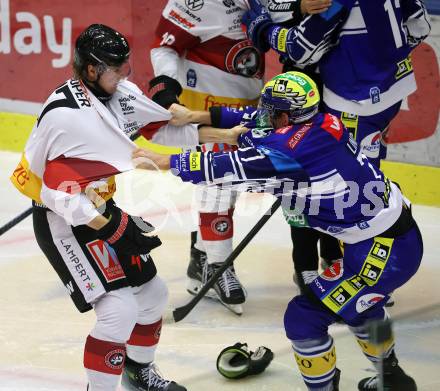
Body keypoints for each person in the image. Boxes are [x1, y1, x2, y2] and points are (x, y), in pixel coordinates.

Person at [133, 71, 423, 391]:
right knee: (362, 307)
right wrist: (195, 116)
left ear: (285, 116)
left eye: (270, 111)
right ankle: (393, 380)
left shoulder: (288, 154)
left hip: (384, 251)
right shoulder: (322, 121)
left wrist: (163, 161)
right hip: (383, 239)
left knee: (304, 319)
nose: (262, 114)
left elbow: (226, 167)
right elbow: (252, 120)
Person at [9, 24, 194, 391]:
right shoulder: (65, 113)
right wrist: (109, 226)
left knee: (153, 294)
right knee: (118, 311)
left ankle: (138, 373)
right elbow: (32, 179)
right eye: (116, 68)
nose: (124, 75)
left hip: (100, 210)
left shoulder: (117, 94)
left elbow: (157, 126)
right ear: (91, 70)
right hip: (63, 219)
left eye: (125, 67)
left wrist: (217, 135)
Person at [149, 0, 331, 314]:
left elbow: (282, 13)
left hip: (250, 102)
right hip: (205, 102)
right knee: (218, 182)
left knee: (227, 184)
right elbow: (164, 46)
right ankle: (218, 266)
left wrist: (300, 6)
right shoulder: (195, 3)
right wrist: (167, 93)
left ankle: (200, 259)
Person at [242, 0, 431, 168]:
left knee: (353, 174)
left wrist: (264, 29)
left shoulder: (334, 3)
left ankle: (379, 203)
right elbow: (420, 25)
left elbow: (299, 48)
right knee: (369, 160)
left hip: (356, 100)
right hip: (394, 88)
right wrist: (385, 58)